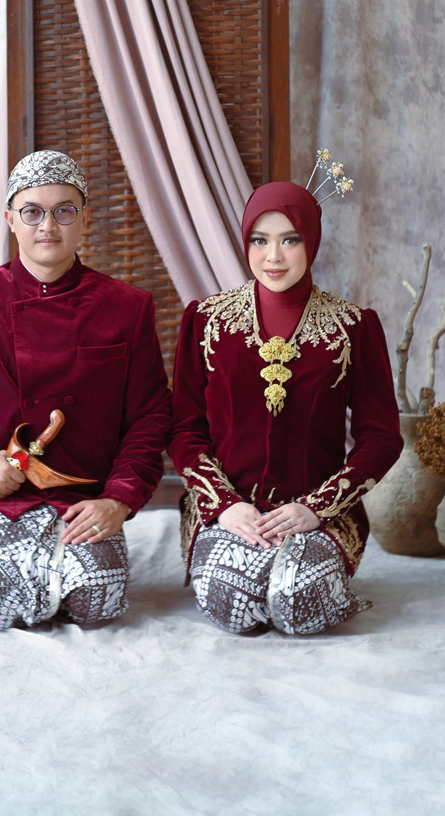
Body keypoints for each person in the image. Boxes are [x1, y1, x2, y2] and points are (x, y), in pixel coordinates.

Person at [0, 150, 172, 631]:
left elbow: (150, 416)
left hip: (85, 500)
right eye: (32, 212)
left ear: (85, 218)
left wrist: (119, 499)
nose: (48, 226)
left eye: (64, 211)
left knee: (97, 603)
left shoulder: (128, 307)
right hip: (0, 497)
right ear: (10, 219)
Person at [167, 177, 403, 635]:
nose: (273, 256)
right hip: (228, 511)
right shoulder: (206, 321)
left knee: (300, 602)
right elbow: (184, 430)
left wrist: (317, 508)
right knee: (231, 602)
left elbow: (381, 437)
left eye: (289, 240)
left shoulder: (352, 327)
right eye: (260, 240)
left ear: (311, 241)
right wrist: (224, 505)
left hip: (317, 515)